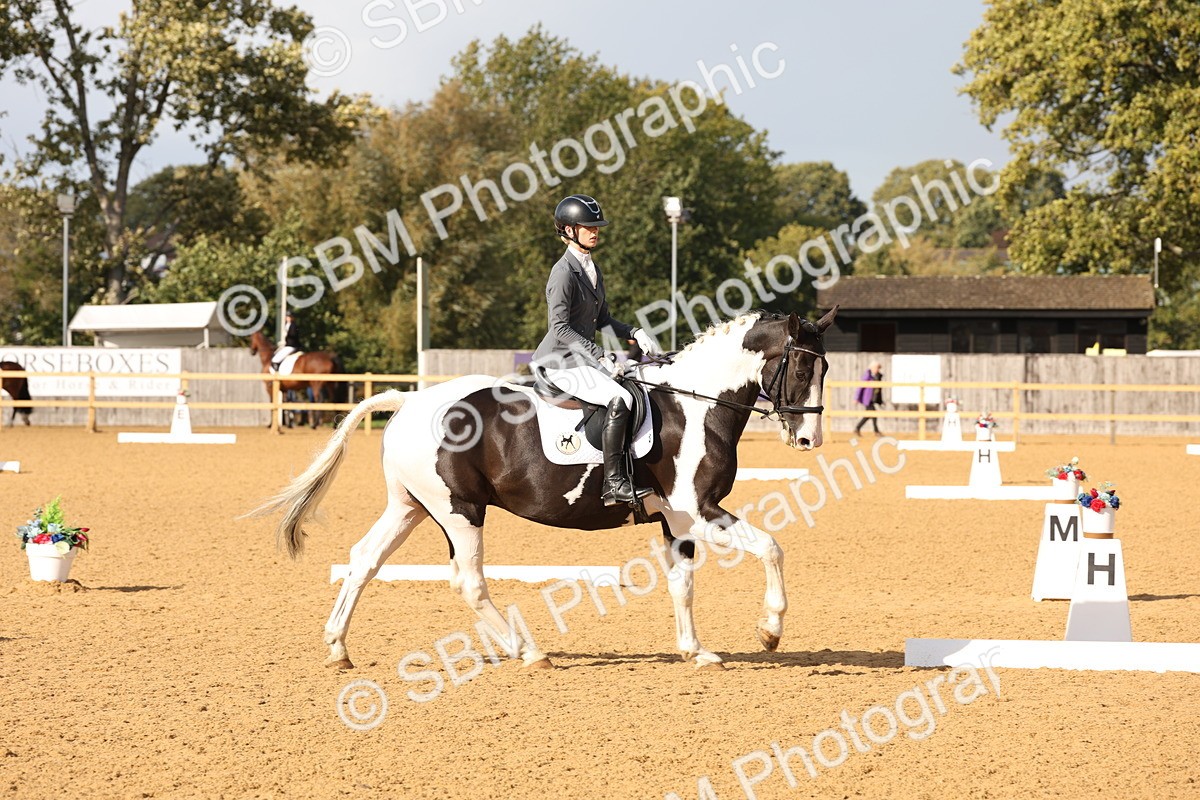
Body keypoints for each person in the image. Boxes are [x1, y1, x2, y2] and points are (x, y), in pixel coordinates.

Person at [531, 194, 663, 507]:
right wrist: (600, 355)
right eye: (588, 226)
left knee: (634, 386)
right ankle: (614, 483)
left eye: (596, 226)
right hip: (559, 362)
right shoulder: (563, 273)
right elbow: (559, 328)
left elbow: (601, 319)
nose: (595, 231)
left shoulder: (592, 269)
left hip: (579, 359)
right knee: (621, 398)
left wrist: (634, 332)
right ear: (568, 230)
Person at [854, 360, 884, 436]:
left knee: (869, 415)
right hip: (867, 399)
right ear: (872, 368)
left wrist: (880, 401)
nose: (878, 370)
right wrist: (856, 398)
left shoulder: (876, 377)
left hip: (871, 400)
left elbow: (877, 390)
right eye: (877, 368)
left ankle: (858, 428)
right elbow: (860, 387)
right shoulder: (867, 376)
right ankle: (876, 431)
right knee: (873, 414)